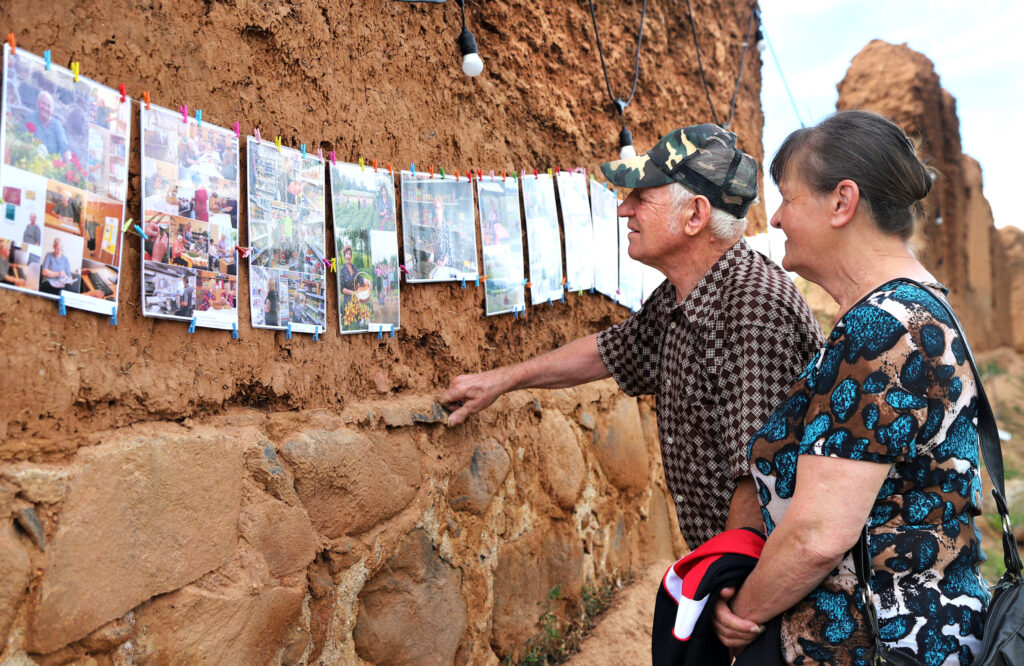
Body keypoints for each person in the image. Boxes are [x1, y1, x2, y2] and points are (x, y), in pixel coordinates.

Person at [440, 124, 824, 549]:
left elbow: (756, 477)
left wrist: (724, 587)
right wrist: (502, 380)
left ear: (695, 215)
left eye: (642, 198)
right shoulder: (689, 293)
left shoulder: (751, 306)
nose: (624, 210)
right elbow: (607, 352)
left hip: (753, 582)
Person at [712, 110, 989, 664]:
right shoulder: (916, 308)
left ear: (842, 202)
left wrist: (746, 612)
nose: (779, 218)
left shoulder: (882, 329)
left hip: (870, 644)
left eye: (788, 198)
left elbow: (817, 535)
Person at [29, 91, 71, 161]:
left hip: (52, 166)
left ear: (52, 110)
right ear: (38, 104)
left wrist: (69, 162)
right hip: (33, 160)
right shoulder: (31, 118)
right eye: (43, 103)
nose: (45, 108)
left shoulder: (57, 125)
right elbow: (22, 136)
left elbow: (64, 146)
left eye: (49, 106)